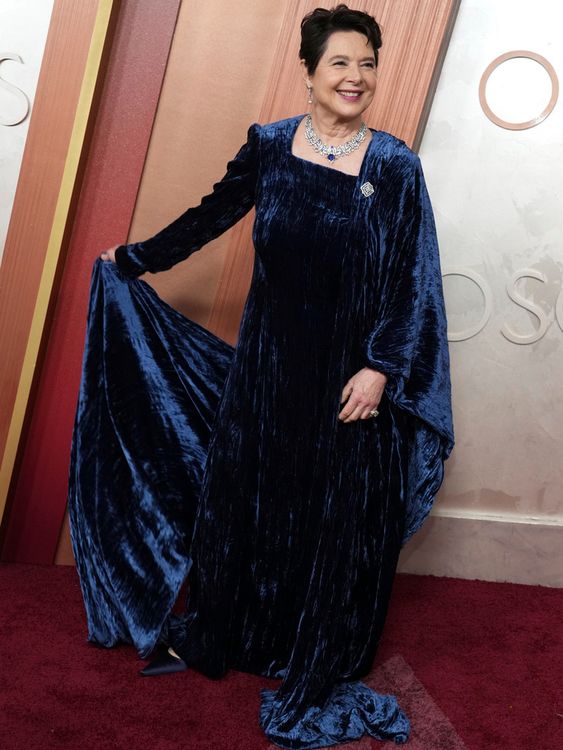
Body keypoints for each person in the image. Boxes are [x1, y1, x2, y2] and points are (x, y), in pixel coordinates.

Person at [68, 5, 454, 748]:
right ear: (307, 72)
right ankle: (232, 631)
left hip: (348, 381)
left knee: (326, 516)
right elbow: (213, 213)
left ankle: (309, 648)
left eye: (367, 63)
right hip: (267, 374)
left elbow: (414, 280)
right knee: (248, 501)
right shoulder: (271, 147)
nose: (355, 77)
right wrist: (137, 259)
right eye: (340, 62)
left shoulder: (395, 166)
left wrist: (380, 367)